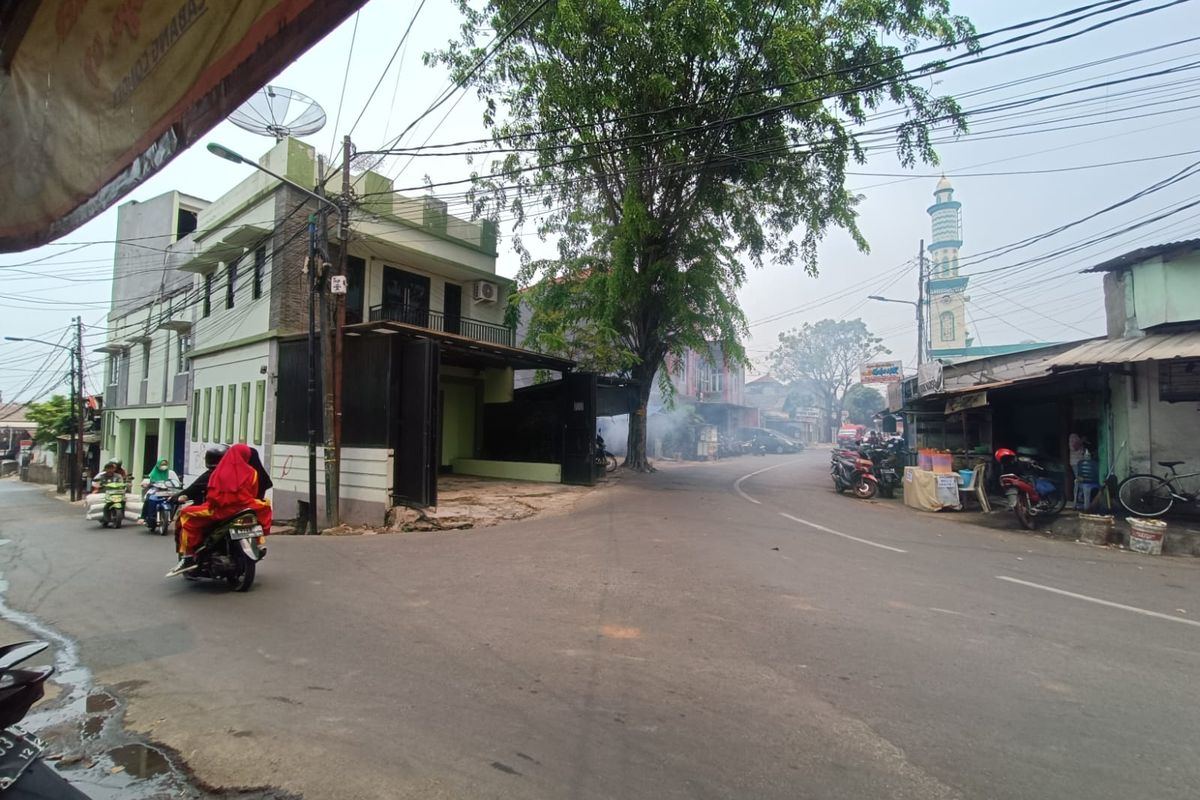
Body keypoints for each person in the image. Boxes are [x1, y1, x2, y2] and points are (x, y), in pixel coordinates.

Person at [172, 443, 272, 574]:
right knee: (261, 511)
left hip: (222, 511)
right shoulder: (253, 472)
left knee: (185, 514)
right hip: (246, 507)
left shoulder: (218, 473)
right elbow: (253, 492)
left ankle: (188, 556)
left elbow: (213, 496)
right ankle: (259, 543)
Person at [138, 457, 181, 526]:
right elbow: (147, 480)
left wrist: (178, 484)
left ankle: (173, 515)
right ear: (158, 465)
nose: (163, 466)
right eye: (162, 464)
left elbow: (177, 481)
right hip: (155, 490)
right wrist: (145, 483)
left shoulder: (171, 473)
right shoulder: (153, 473)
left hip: (168, 491)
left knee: (177, 500)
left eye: (165, 464)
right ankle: (143, 517)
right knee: (148, 499)